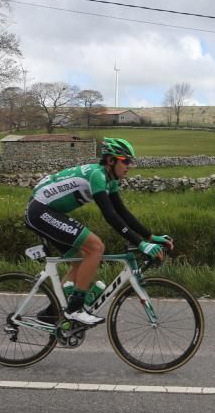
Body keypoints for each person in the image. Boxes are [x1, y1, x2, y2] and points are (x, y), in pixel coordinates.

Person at [23, 137, 172, 326]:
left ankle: (52, 314)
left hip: (48, 211)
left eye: (131, 161)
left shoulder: (109, 180)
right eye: (126, 161)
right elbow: (110, 215)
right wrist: (141, 244)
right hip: (39, 211)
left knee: (79, 261)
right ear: (111, 161)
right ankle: (75, 309)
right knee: (95, 247)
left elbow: (122, 212)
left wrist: (149, 236)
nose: (130, 166)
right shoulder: (97, 176)